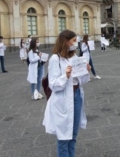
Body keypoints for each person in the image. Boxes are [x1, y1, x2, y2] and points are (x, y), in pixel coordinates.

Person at [43, 29, 91, 157]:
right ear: (66, 41)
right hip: (62, 99)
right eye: (74, 40)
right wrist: (66, 75)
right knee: (63, 136)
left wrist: (86, 71)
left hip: (76, 96)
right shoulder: (55, 59)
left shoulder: (74, 57)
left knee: (73, 134)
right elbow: (52, 84)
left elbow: (82, 81)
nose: (76, 43)